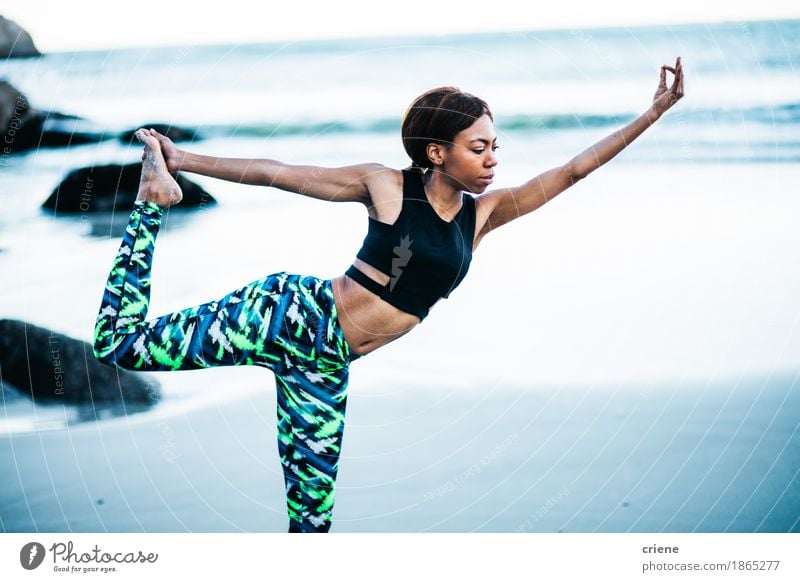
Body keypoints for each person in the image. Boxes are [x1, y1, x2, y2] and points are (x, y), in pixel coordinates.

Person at [93, 57, 684, 533]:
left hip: (323, 369)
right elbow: (279, 171)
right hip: (290, 315)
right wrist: (182, 159)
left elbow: (573, 170)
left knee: (312, 521)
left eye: (494, 146)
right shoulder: (386, 186)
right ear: (437, 153)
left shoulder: (481, 216)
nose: (492, 159)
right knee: (117, 347)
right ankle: (151, 201)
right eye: (478, 147)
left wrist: (652, 114)